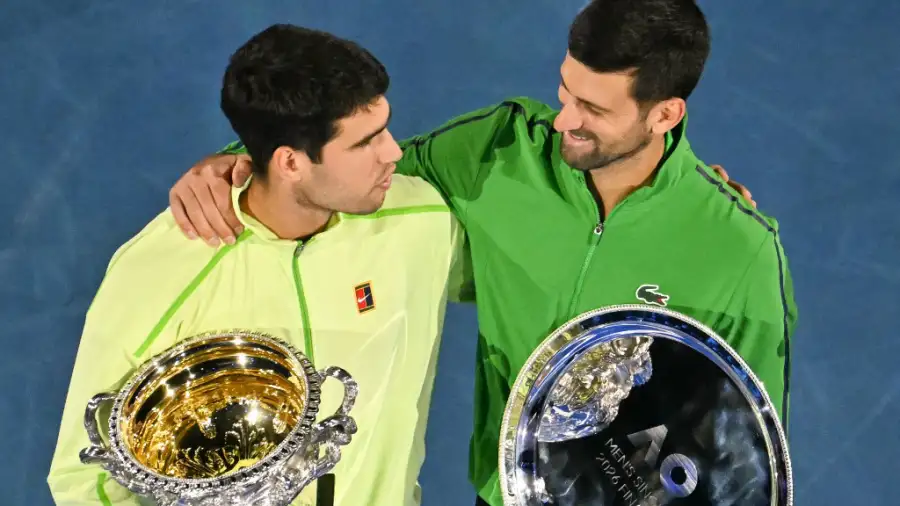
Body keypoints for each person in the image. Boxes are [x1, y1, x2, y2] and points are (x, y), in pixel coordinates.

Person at [168, 1, 799, 505]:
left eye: (593, 109)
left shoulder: (740, 249)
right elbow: (346, 167)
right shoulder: (498, 152)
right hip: (500, 493)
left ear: (665, 114)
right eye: (565, 91)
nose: (562, 120)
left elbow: (750, 462)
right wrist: (242, 155)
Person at [47, 24, 466, 506]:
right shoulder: (163, 266)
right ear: (289, 163)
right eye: (364, 143)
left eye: (385, 128)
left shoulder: (422, 219)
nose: (394, 152)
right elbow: (87, 474)